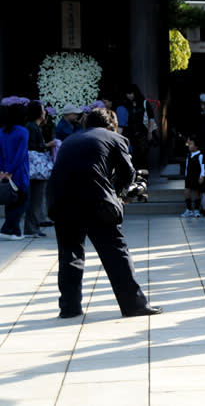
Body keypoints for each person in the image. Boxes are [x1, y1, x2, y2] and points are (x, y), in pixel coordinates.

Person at [46, 108, 161, 318]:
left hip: (61, 201)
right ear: (110, 124)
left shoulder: (70, 139)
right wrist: (119, 194)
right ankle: (134, 305)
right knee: (116, 253)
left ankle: (69, 308)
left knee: (70, 254)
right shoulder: (115, 137)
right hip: (94, 202)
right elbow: (128, 174)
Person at [25, 101, 55, 238]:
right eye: (43, 110)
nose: (45, 113)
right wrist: (49, 144)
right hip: (37, 169)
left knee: (35, 199)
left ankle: (33, 226)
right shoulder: (33, 127)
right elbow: (34, 147)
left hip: (34, 169)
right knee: (36, 199)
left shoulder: (32, 126)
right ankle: (32, 228)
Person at [0, 104, 30, 240]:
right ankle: (7, 228)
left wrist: (3, 171)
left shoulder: (2, 131)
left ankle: (15, 231)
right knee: (23, 200)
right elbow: (21, 154)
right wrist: (11, 171)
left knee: (10, 200)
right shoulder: (23, 131)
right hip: (18, 171)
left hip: (5, 170)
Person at [115, 84, 155, 171]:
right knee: (133, 158)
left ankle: (143, 178)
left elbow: (151, 118)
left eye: (131, 93)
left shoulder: (144, 103)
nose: (129, 95)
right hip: (129, 135)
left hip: (142, 134)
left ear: (135, 93)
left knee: (143, 158)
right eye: (127, 94)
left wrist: (150, 132)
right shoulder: (124, 105)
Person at [181, 135, 205, 218]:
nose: (189, 146)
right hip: (189, 177)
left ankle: (196, 210)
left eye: (191, 144)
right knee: (187, 192)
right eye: (189, 144)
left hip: (196, 177)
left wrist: (202, 176)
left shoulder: (200, 155)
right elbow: (187, 167)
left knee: (196, 193)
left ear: (196, 146)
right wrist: (186, 175)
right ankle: (188, 209)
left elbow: (203, 167)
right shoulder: (189, 155)